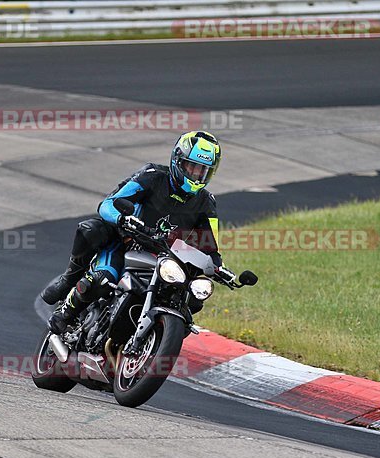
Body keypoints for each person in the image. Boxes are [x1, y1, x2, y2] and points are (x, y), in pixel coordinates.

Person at [41, 130, 235, 334]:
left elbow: (210, 246)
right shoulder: (152, 176)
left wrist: (219, 268)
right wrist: (122, 218)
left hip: (165, 259)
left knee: (191, 300)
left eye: (202, 171)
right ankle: (66, 301)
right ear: (177, 161)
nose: (196, 175)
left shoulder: (206, 202)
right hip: (127, 243)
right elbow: (108, 204)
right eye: (192, 167)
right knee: (100, 275)